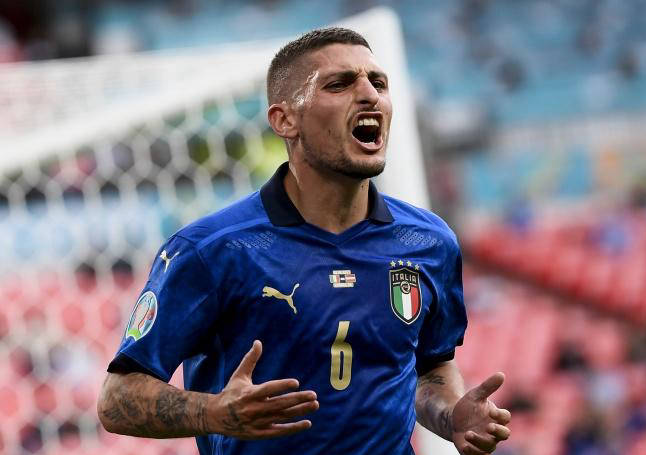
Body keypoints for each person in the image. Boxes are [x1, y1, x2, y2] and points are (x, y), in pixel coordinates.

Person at [97, 27, 511, 455]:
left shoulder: (428, 242)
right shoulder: (210, 250)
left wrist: (451, 415)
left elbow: (430, 367)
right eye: (339, 84)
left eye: (379, 82)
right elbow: (116, 398)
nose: (370, 95)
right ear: (285, 120)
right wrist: (212, 412)